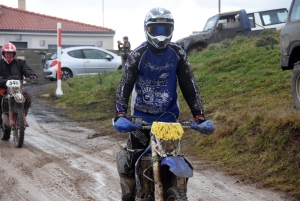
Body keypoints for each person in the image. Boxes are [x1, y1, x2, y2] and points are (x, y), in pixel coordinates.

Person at [114, 7, 210, 201]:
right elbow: (125, 85)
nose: (160, 35)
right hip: (140, 120)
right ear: (146, 30)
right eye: (155, 30)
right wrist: (120, 114)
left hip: (169, 120)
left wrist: (199, 116)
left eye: (164, 30)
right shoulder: (137, 55)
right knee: (130, 160)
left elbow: (189, 86)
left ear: (171, 30)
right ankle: (128, 197)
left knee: (178, 159)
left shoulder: (178, 54)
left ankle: (177, 191)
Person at [0, 42, 37, 141]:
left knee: (28, 98)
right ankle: (3, 126)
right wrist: (4, 81)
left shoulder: (20, 63)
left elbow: (27, 69)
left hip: (17, 89)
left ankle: (22, 116)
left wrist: (31, 75)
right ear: (3, 53)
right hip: (3, 89)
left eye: (11, 53)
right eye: (7, 53)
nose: (9, 55)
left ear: (14, 54)